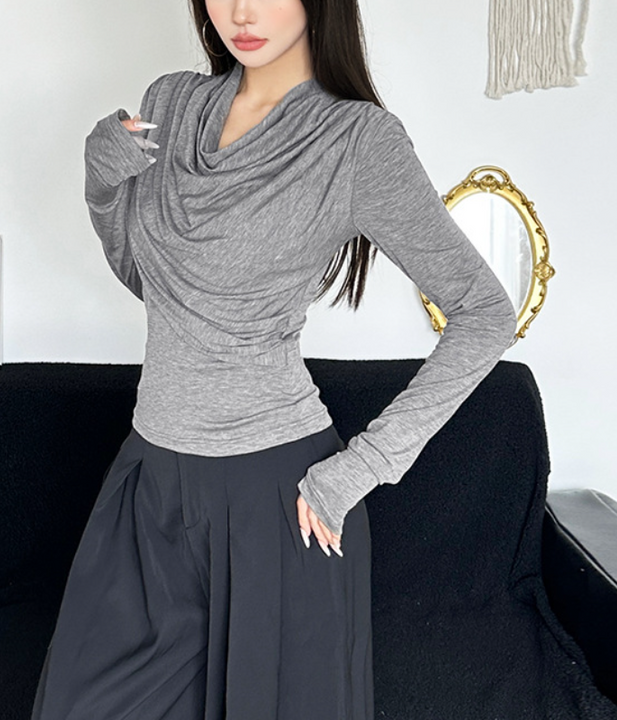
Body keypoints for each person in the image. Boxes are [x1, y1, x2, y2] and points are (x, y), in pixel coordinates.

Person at [30, 0, 517, 718]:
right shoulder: (170, 104)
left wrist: (361, 468)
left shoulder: (357, 142)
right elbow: (156, 286)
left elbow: (485, 312)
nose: (241, 10)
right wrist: (102, 188)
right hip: (150, 482)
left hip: (278, 501)